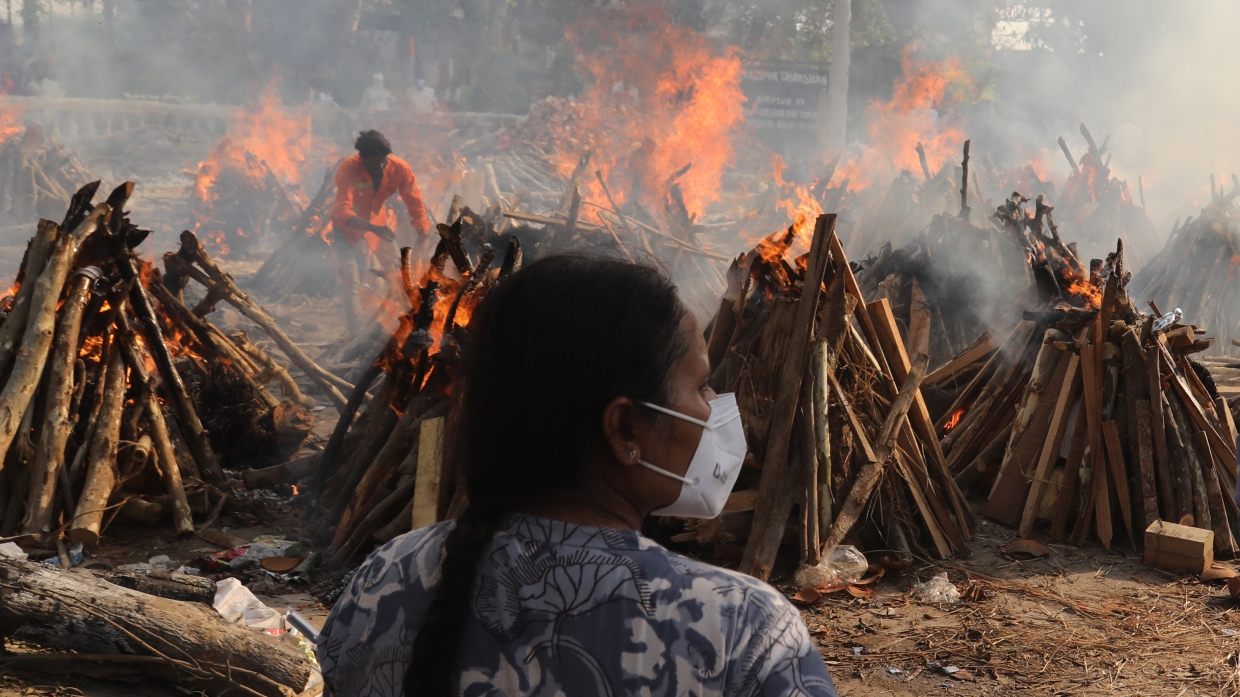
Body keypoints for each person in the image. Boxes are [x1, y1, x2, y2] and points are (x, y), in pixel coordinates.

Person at [316, 256, 838, 697]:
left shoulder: (383, 583)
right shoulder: (739, 628)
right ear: (625, 428)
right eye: (701, 387)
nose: (713, 408)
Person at [329, 130, 433, 332]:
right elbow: (340, 210)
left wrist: (422, 231)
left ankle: (408, 322)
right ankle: (355, 334)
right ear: (363, 158)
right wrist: (371, 228)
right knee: (350, 282)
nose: (381, 167)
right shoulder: (349, 168)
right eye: (376, 164)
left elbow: (415, 201)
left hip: (379, 225)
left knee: (400, 274)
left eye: (384, 162)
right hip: (348, 229)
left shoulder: (399, 168)